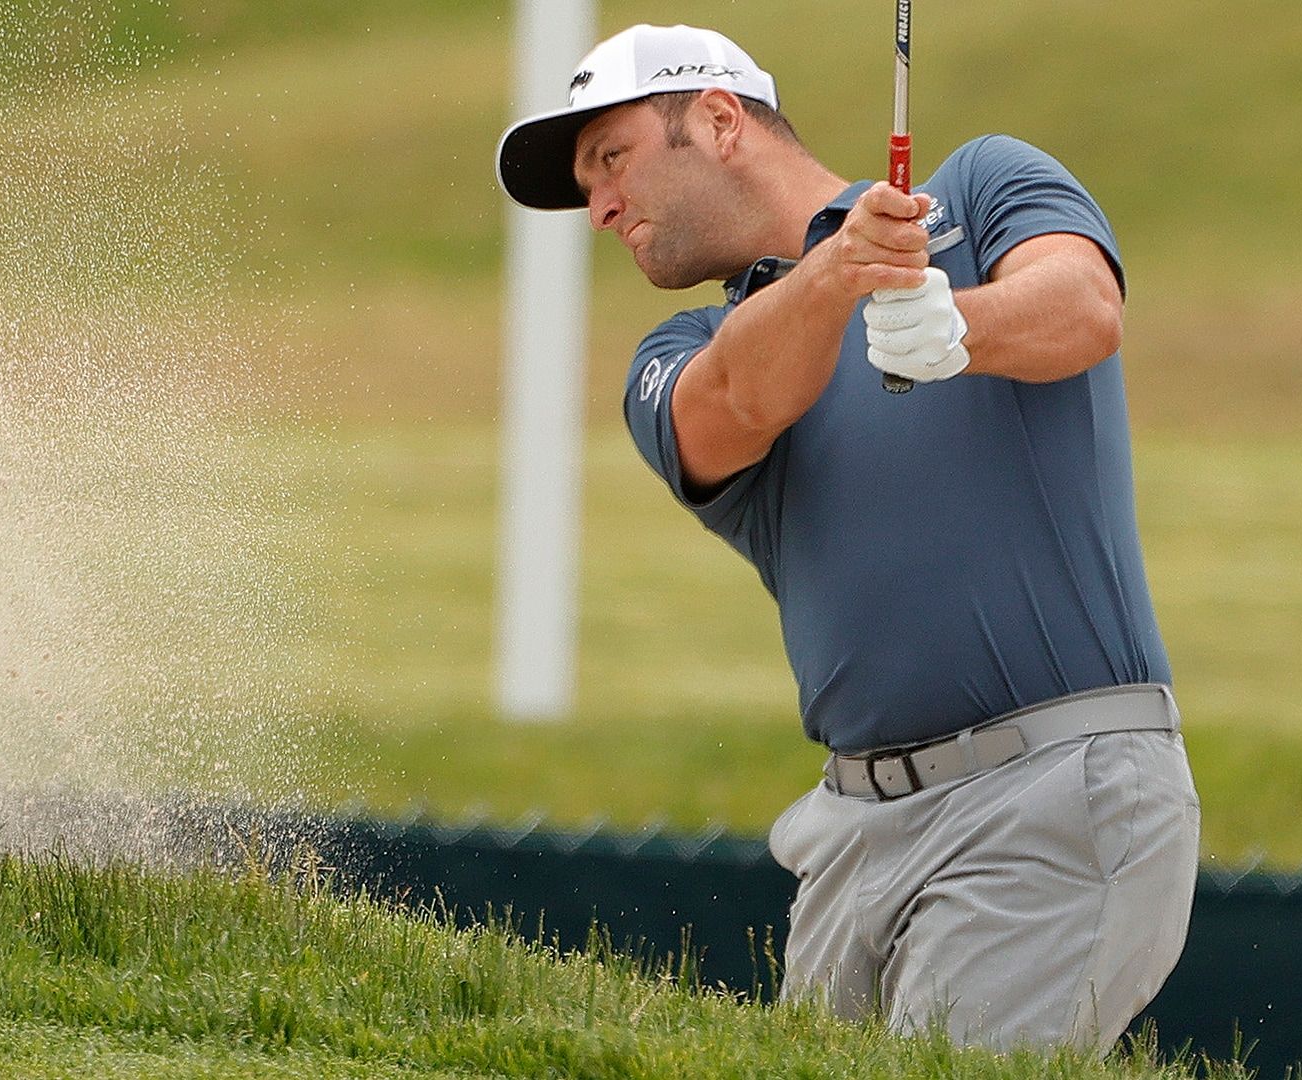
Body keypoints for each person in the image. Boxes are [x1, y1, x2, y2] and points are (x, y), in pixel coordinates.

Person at [496, 23, 1199, 1055]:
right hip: (854, 834)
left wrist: (959, 324)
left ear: (720, 120)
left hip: (1051, 786)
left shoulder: (983, 191)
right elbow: (734, 400)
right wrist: (839, 273)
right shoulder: (681, 352)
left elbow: (1083, 305)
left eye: (612, 159)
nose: (600, 206)